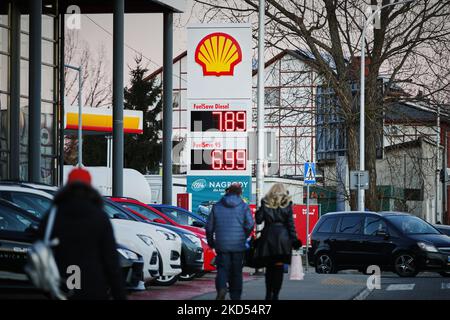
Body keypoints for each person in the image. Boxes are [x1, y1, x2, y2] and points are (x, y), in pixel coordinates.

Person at [38, 167, 126, 300]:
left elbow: (42, 244)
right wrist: (119, 293)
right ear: (90, 188)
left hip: (61, 283)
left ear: (67, 187)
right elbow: (110, 259)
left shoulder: (53, 215)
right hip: (93, 285)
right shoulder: (99, 216)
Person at [206, 183, 254, 300]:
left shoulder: (217, 206)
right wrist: (244, 236)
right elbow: (250, 224)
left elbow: (209, 227)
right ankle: (235, 296)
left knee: (222, 269)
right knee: (236, 271)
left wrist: (211, 242)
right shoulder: (243, 206)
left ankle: (222, 288)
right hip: (238, 245)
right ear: (239, 193)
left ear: (227, 192)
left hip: (222, 244)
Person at [256, 183, 302, 300]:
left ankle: (268, 293)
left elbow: (258, 220)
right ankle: (275, 294)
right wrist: (295, 240)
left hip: (268, 238)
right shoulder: (287, 204)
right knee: (279, 268)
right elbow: (290, 225)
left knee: (269, 267)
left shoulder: (265, 202)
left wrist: (262, 207)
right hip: (283, 239)